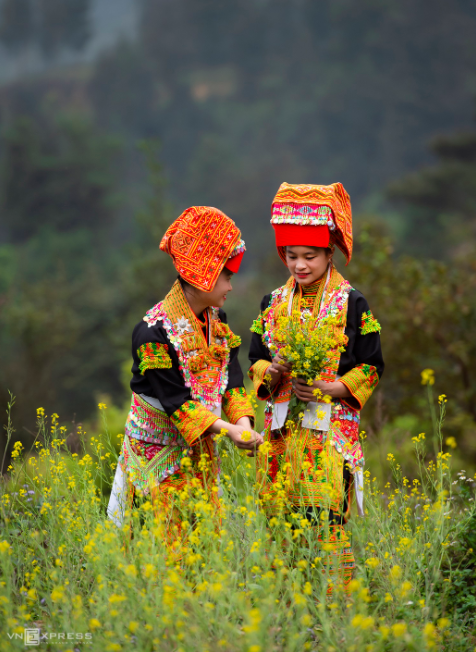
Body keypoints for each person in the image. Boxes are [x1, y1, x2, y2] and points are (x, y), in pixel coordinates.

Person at [248, 182, 384, 592]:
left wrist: (331, 388)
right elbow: (253, 358)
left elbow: (372, 366)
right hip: (281, 433)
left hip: (329, 434)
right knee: (282, 524)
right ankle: (288, 607)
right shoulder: (272, 303)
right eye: (292, 256)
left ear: (329, 253)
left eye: (310, 256)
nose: (300, 265)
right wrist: (271, 372)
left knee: (325, 521)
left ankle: (335, 609)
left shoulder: (352, 302)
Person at [108, 206, 262, 550]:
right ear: (204, 275)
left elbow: (231, 379)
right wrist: (232, 431)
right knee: (156, 554)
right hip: (156, 460)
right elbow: (177, 403)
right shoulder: (152, 333)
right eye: (227, 277)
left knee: (202, 553)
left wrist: (245, 422)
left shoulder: (215, 319)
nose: (231, 287)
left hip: (200, 453)